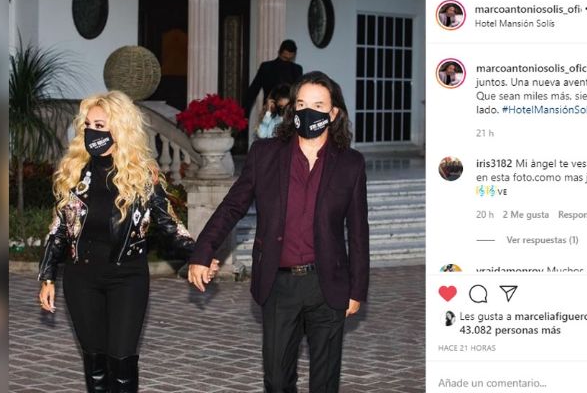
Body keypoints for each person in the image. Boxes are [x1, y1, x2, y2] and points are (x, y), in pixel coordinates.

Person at [187, 71, 370, 392]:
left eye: (318, 105)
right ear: (292, 109)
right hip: (278, 284)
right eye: (301, 104)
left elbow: (358, 231)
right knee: (277, 380)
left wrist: (358, 289)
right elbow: (232, 207)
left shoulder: (350, 163)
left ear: (333, 113)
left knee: (325, 382)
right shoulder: (266, 154)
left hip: (327, 285)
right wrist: (203, 251)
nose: (308, 111)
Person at [37, 91, 219, 392]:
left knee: (122, 362)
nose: (92, 132)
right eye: (88, 125)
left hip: (127, 279)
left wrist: (200, 254)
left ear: (120, 130)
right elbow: (59, 229)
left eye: (100, 126)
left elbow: (169, 226)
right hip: (81, 279)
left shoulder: (141, 177)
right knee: (94, 363)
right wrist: (47, 276)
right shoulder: (75, 173)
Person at [243, 39, 303, 118]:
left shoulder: (297, 69)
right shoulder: (266, 67)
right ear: (279, 53)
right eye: (284, 58)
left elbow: (299, 93)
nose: (287, 61)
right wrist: (244, 114)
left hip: (289, 113)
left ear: (294, 55)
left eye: (290, 59)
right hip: (270, 111)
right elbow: (253, 91)